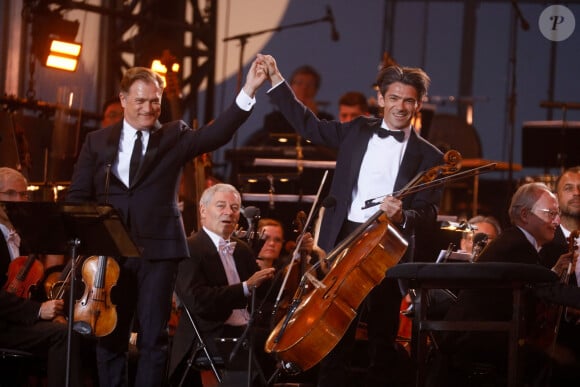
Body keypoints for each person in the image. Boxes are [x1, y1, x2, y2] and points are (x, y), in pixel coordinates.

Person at [66, 60, 268, 386]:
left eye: (155, 101)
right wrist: (92, 239)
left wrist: (248, 90)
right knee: (110, 337)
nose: (149, 108)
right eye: (141, 101)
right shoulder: (97, 141)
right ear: (122, 100)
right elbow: (77, 196)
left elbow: (216, 134)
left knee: (153, 338)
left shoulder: (174, 135)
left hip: (158, 251)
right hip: (111, 254)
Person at [259, 54, 445, 386]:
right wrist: (276, 81)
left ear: (419, 104)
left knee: (382, 336)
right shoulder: (358, 129)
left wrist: (404, 214)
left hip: (388, 244)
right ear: (380, 99)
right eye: (393, 98)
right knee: (333, 332)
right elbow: (309, 126)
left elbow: (428, 213)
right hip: (344, 235)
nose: (400, 107)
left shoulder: (431, 156)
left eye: (408, 101)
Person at [435, 182, 580, 386]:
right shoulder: (516, 245)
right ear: (524, 215)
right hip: (477, 337)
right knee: (563, 363)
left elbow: (532, 284)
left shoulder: (517, 241)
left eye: (558, 214)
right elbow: (546, 290)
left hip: (487, 333)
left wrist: (552, 273)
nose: (557, 221)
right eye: (550, 213)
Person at [168, 184, 276, 387]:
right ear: (203, 210)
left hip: (244, 330)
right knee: (269, 347)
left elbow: (262, 297)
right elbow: (198, 300)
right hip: (210, 334)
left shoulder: (242, 249)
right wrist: (245, 287)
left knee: (283, 343)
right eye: (221, 206)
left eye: (235, 208)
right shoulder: (189, 248)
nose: (229, 212)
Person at [0, 167, 83, 386]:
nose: (19, 200)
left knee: (74, 331)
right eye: (10, 194)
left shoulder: (26, 239)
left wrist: (52, 311)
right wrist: (38, 311)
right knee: (63, 336)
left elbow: (31, 289)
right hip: (2, 325)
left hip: (18, 322)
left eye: (24, 194)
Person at [538, 166, 580, 385]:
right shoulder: (543, 244)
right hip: (556, 346)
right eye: (569, 188)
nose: (577, 193)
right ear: (555, 199)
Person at [246, 64, 334, 147]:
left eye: (309, 85)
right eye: (299, 83)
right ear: (291, 87)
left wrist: (313, 117)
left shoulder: (326, 120)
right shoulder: (274, 119)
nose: (304, 88)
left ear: (316, 90)